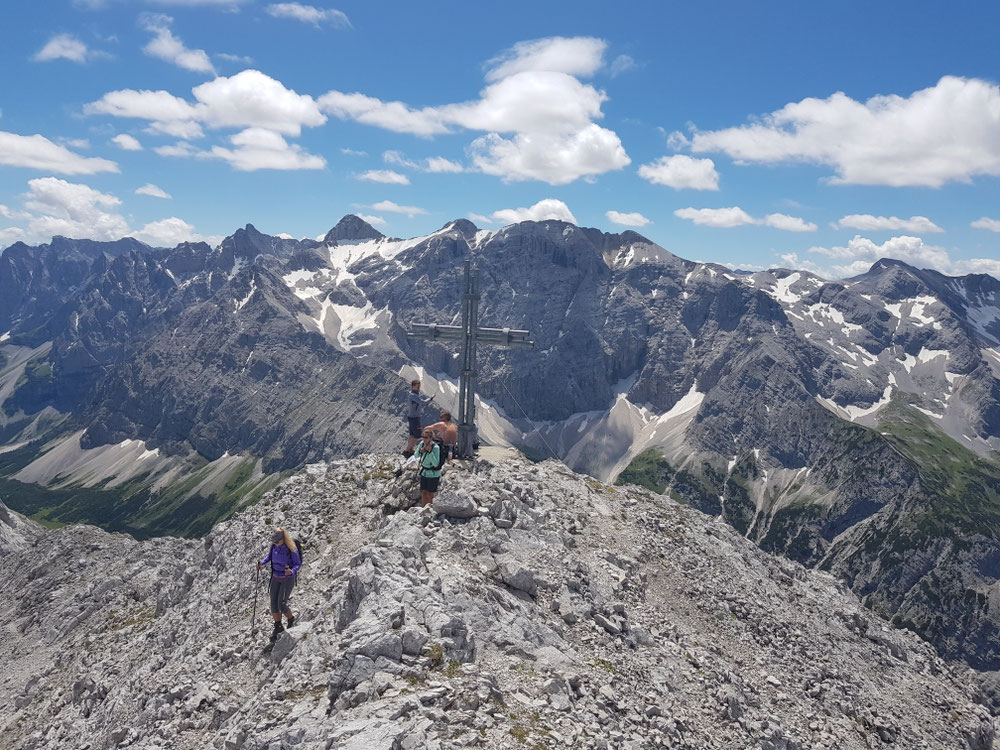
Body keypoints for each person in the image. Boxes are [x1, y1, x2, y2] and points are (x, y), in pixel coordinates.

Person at [257, 528, 300, 641]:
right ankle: (278, 626)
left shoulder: (291, 548)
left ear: (283, 539)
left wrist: (291, 571)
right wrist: (262, 563)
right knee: (273, 602)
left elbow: (297, 564)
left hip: (287, 578)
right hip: (275, 577)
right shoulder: (274, 547)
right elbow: (269, 557)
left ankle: (291, 619)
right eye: (274, 541)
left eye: (277, 541)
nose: (275, 543)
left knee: (281, 603)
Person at [404, 379, 434, 457]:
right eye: (417, 386)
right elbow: (423, 402)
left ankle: (410, 450)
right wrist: (431, 398)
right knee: (417, 435)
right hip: (415, 418)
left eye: (419, 386)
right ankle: (407, 450)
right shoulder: (414, 396)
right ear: (413, 386)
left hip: (411, 417)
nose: (419, 388)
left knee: (412, 435)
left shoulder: (413, 395)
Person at [416, 427, 442, 507]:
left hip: (433, 474)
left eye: (426, 437)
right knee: (423, 492)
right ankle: (424, 509)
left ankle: (430, 509)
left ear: (431, 438)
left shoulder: (436, 448)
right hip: (424, 472)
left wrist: (430, 452)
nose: (424, 439)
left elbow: (435, 463)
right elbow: (416, 455)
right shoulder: (422, 444)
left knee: (430, 494)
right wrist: (420, 451)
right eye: (423, 437)